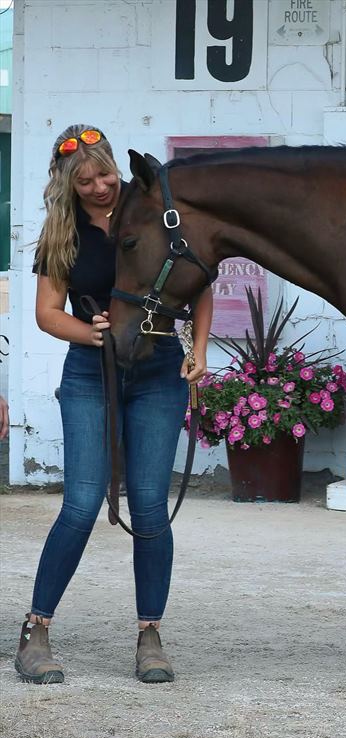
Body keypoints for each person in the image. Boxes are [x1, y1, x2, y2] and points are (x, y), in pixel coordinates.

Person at [16, 124, 213, 684]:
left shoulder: (152, 211)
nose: (99, 187)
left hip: (157, 369)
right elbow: (47, 313)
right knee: (81, 504)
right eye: (85, 182)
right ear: (68, 184)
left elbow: (199, 282)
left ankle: (150, 634)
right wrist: (91, 333)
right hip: (90, 372)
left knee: (150, 507)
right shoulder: (63, 232)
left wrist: (198, 350)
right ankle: (36, 630)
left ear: (115, 167)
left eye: (104, 174)